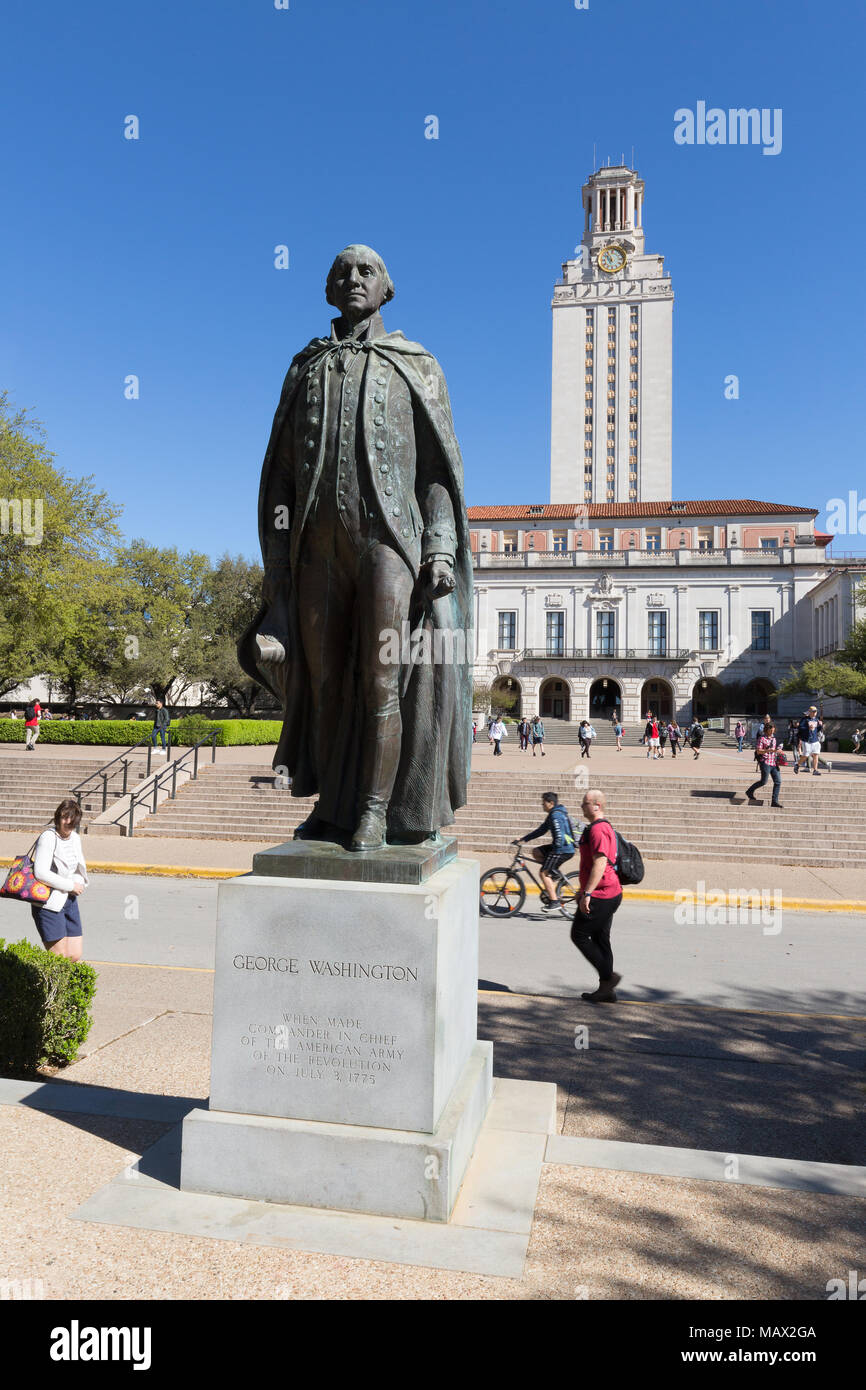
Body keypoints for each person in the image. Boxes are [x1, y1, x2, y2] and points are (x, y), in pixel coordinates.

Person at [237, 244, 471, 852]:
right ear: (326, 288)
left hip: (388, 543)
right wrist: (279, 557)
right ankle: (333, 806)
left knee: (381, 680)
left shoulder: (415, 365)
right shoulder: (305, 367)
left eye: (367, 270)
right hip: (315, 550)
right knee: (323, 680)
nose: (353, 279)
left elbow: (437, 475)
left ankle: (375, 809)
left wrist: (439, 549)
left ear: (387, 288)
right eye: (342, 271)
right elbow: (282, 474)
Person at [571, 788, 623, 1002]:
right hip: (609, 891)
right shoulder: (599, 827)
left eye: (585, 804)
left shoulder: (598, 830)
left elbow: (600, 863)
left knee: (580, 935)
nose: (582, 807)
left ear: (596, 806)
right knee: (601, 939)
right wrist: (583, 890)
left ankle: (609, 978)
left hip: (603, 893)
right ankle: (605, 991)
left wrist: (588, 893)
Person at [31, 800, 89, 959]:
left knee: (74, 955)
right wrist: (71, 885)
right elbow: (41, 873)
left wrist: (79, 882)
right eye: (64, 818)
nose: (68, 822)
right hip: (48, 903)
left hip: (69, 900)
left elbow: (78, 866)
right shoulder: (48, 838)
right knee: (59, 958)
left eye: (72, 820)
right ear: (57, 818)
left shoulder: (75, 838)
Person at [515, 791, 577, 911]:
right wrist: (524, 839)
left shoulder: (555, 816)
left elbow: (559, 834)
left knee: (543, 872)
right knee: (536, 852)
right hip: (562, 847)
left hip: (562, 849)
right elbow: (541, 830)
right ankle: (553, 872)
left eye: (544, 803)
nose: (542, 805)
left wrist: (555, 853)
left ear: (551, 803)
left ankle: (554, 902)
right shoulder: (554, 814)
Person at [745, 723, 783, 808]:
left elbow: (774, 750)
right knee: (763, 781)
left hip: (773, 763)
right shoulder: (762, 738)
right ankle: (749, 791)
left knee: (778, 781)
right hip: (765, 762)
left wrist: (778, 750)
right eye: (771, 730)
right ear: (766, 730)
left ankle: (774, 801)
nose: (772, 732)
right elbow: (758, 751)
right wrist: (768, 750)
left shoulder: (774, 739)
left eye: (773, 730)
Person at [795, 705, 823, 777]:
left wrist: (820, 725)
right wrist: (808, 727)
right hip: (806, 740)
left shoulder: (816, 719)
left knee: (816, 755)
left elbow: (817, 730)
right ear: (809, 712)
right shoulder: (805, 719)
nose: (814, 713)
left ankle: (815, 770)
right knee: (805, 755)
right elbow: (800, 728)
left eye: (815, 711)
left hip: (815, 740)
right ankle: (797, 765)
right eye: (813, 712)